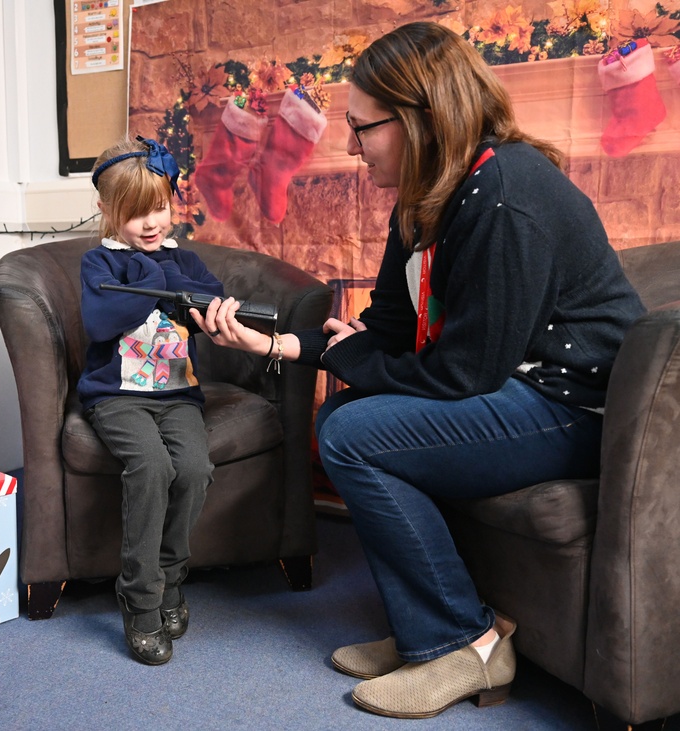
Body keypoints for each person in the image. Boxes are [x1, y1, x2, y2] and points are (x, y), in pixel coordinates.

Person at [191, 22, 646, 719]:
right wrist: (275, 343)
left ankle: (467, 644)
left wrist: (345, 355)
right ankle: (425, 631)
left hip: (573, 405)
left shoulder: (505, 196)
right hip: (516, 387)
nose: (349, 145)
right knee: (342, 419)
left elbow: (461, 374)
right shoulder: (426, 200)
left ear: (421, 119)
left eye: (362, 127)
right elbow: (387, 332)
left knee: (352, 433)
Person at [79, 136, 224, 665]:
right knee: (151, 467)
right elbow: (101, 320)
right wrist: (158, 276)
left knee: (193, 468)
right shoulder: (101, 263)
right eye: (135, 213)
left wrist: (193, 295)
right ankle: (140, 599)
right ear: (106, 210)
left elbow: (212, 301)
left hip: (177, 394)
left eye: (159, 207)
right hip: (116, 398)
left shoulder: (184, 259)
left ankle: (168, 578)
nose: (150, 223)